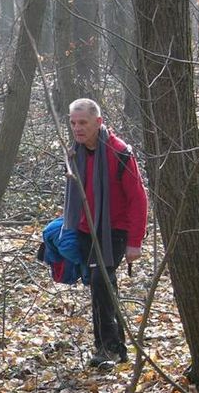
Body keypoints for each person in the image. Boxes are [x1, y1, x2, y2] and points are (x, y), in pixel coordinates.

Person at [63, 99, 148, 369]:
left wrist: (135, 241)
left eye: (83, 123)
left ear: (98, 123)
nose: (77, 128)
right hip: (87, 230)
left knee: (102, 282)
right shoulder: (75, 151)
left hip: (115, 231)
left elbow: (138, 199)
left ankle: (110, 348)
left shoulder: (119, 152)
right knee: (99, 287)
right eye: (73, 123)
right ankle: (108, 348)